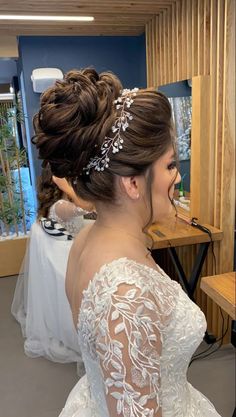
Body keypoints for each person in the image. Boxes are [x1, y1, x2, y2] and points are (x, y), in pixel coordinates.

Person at [32, 68, 221, 417]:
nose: (178, 176)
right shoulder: (124, 293)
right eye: (170, 165)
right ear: (132, 184)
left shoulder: (88, 236)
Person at [11, 164, 93, 365]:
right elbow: (89, 207)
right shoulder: (60, 206)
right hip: (65, 254)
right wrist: (67, 187)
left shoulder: (60, 204)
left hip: (68, 244)